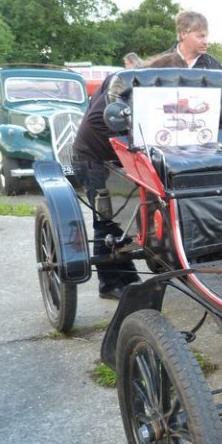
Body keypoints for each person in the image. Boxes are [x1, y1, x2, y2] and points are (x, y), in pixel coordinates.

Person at [72, 52, 186, 300]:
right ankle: (109, 284)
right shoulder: (123, 85)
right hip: (94, 157)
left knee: (131, 217)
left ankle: (128, 275)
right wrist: (139, 141)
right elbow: (99, 122)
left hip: (119, 158)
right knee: (108, 219)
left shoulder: (141, 86)